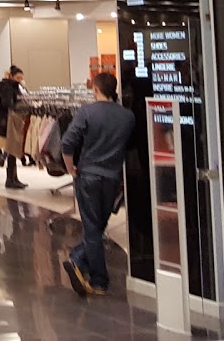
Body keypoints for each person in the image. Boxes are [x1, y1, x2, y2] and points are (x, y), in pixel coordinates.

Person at [61, 71, 136, 298]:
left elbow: (67, 143)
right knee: (98, 227)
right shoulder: (127, 116)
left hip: (88, 175)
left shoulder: (87, 112)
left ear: (95, 89)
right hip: (112, 177)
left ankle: (97, 278)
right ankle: (78, 260)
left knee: (93, 229)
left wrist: (70, 169)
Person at [0, 66, 28, 189]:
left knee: (12, 149)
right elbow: (7, 103)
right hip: (8, 121)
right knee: (12, 149)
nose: (20, 80)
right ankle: (10, 179)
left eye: (21, 78)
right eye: (18, 78)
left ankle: (13, 177)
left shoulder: (12, 86)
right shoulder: (7, 88)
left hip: (9, 120)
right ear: (12, 76)